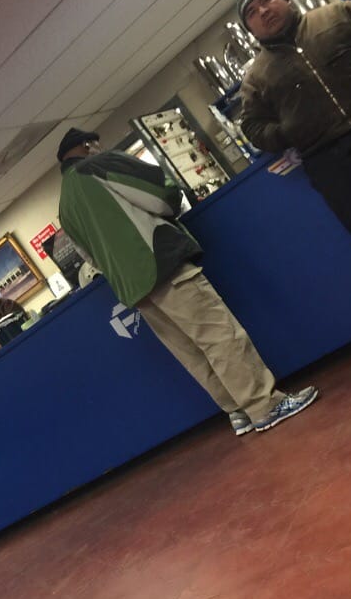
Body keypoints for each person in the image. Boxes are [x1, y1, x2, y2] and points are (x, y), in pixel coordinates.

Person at [55, 126, 318, 434]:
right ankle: (265, 406)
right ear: (88, 145)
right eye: (96, 144)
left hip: (133, 288)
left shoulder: (64, 207)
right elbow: (161, 193)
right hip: (161, 263)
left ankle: (237, 411)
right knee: (220, 337)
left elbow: (90, 258)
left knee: (192, 353)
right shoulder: (98, 164)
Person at [238, 0, 351, 292]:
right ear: (251, 29)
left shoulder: (336, 14)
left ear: (285, 0)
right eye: (251, 12)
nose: (262, 11)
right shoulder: (256, 77)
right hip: (334, 165)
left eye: (266, 0)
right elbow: (251, 125)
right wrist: (288, 131)